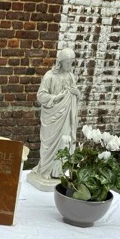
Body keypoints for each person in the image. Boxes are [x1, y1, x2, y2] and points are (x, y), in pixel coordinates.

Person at [28, 47, 81, 190]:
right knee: (48, 144)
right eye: (68, 62)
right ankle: (45, 169)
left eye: (72, 62)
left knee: (64, 142)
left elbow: (76, 95)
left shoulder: (70, 76)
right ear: (61, 62)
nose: (70, 65)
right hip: (52, 117)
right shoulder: (49, 76)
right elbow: (41, 96)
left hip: (66, 117)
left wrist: (76, 93)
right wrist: (57, 98)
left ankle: (59, 172)